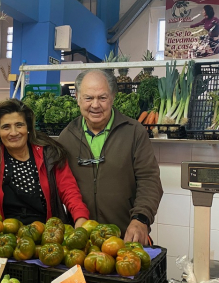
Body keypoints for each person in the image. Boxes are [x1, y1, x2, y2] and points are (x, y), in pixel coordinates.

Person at [58, 69, 163, 245]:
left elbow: (149, 180)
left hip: (125, 238)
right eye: (88, 98)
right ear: (77, 97)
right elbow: (63, 186)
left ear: (113, 96)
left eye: (102, 97)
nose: (95, 105)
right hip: (82, 242)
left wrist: (141, 219)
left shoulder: (134, 131)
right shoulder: (67, 137)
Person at [0, 99, 90, 226]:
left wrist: (80, 217)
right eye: (6, 127)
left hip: (44, 237)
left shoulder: (49, 155)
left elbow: (69, 190)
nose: (14, 133)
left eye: (19, 125)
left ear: (28, 128)